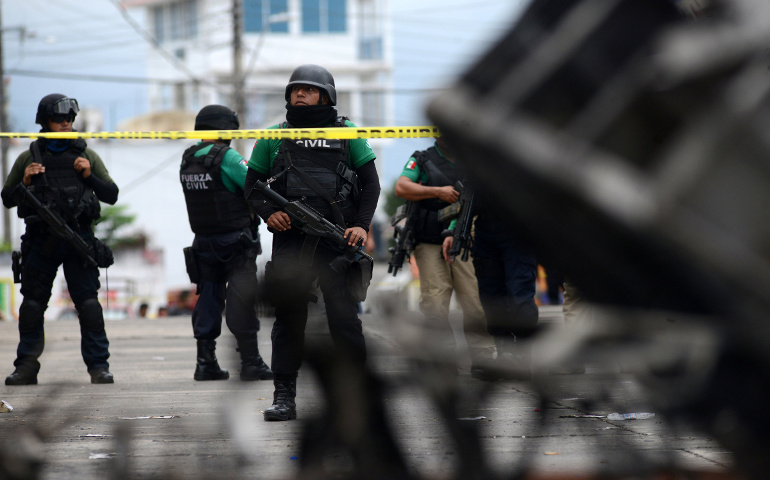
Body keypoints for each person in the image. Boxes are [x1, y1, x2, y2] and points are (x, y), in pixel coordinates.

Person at [245, 64, 380, 421]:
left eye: (309, 90)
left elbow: (371, 186)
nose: (300, 95)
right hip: (291, 241)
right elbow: (251, 187)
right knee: (289, 320)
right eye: (295, 90)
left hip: (338, 240)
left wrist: (362, 227)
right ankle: (284, 396)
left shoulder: (348, 132)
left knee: (344, 320)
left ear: (326, 96)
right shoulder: (274, 135)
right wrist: (267, 214)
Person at [1, 94, 118, 385]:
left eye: (69, 119)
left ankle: (98, 366)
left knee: (89, 305)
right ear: (45, 121)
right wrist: (25, 181)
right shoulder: (29, 157)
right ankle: (26, 367)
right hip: (41, 240)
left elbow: (111, 194)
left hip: (78, 239)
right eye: (59, 119)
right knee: (31, 306)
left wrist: (89, 176)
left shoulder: (85, 154)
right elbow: (7, 199)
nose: (66, 123)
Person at [180, 104, 273, 382]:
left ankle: (205, 363)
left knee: (208, 299)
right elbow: (256, 188)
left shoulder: (188, 159)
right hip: (235, 242)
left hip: (203, 243)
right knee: (241, 299)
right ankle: (250, 362)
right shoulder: (229, 158)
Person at [394, 138, 495, 377]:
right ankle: (444, 356)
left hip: (465, 234)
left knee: (473, 300)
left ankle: (481, 354)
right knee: (435, 302)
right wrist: (436, 191)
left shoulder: (473, 158)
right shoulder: (422, 158)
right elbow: (402, 187)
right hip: (428, 238)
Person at [442, 182, 538, 381]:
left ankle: (522, 355)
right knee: (490, 295)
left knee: (519, 294)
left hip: (517, 227)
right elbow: (466, 197)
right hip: (486, 229)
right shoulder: (478, 158)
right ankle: (503, 354)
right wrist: (454, 229)